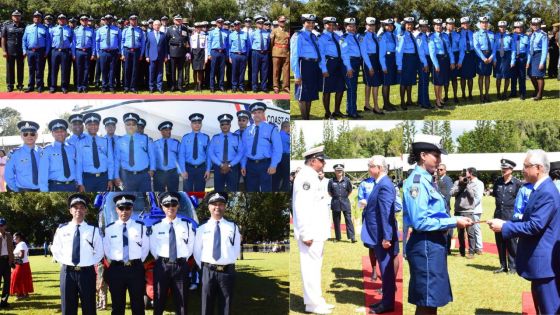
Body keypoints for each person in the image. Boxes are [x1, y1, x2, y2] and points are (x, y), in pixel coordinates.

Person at [403, 134, 473, 315]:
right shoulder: (417, 182)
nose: (439, 160)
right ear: (423, 155)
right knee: (427, 300)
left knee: (431, 299)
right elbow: (420, 221)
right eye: (436, 155)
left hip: (433, 244)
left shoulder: (428, 180)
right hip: (425, 244)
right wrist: (453, 221)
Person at [488, 150, 560, 315]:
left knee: (550, 309)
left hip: (544, 265)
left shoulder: (547, 192)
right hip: (540, 263)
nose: (523, 170)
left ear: (538, 168)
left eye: (526, 166)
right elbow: (531, 220)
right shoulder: (540, 189)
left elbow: (535, 226)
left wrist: (505, 228)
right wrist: (506, 223)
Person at [292, 146, 334, 314]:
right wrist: (305, 233)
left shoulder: (311, 176)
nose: (324, 163)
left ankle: (316, 300)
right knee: (310, 268)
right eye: (322, 160)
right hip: (310, 232)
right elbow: (301, 206)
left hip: (316, 231)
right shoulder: (305, 178)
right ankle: (312, 304)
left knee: (315, 267)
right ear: (313, 160)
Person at [51, 194, 104, 315]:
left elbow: (99, 252)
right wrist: (65, 262)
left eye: (81, 207)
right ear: (70, 210)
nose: (78, 210)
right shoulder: (62, 229)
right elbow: (56, 249)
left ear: (86, 210)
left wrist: (88, 262)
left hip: (87, 273)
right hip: (67, 273)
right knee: (68, 308)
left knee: (89, 307)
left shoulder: (93, 230)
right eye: (75, 207)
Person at [361, 156, 398, 314]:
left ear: (379, 168)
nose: (368, 169)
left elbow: (386, 213)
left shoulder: (384, 185)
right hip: (379, 234)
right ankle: (385, 301)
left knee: (386, 270)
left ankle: (387, 303)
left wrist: (387, 237)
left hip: (382, 235)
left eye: (370, 166)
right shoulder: (381, 183)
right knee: (385, 269)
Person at [193, 192, 241, 315]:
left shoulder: (233, 227)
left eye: (220, 204)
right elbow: (197, 251)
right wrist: (205, 267)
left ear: (225, 206)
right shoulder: (201, 228)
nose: (217, 207)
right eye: (214, 204)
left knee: (226, 307)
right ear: (209, 207)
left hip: (227, 272)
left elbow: (236, 250)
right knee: (206, 306)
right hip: (208, 271)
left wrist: (226, 261)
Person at [149, 192, 195, 315]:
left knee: (182, 302)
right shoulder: (156, 227)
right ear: (162, 207)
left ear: (178, 206)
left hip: (181, 266)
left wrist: (182, 258)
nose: (171, 207)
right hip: (162, 266)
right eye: (167, 204)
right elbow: (153, 248)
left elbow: (191, 246)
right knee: (159, 300)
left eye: (173, 204)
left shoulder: (187, 225)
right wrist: (163, 260)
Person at [103, 194, 149, 315]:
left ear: (132, 209)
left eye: (128, 208)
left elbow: (145, 248)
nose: (124, 211)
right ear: (116, 209)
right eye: (121, 208)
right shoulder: (109, 229)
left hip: (135, 269)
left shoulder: (141, 227)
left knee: (138, 305)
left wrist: (135, 261)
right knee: (117, 306)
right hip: (116, 269)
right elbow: (107, 249)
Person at [240, 102, 282, 192]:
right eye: (254, 113)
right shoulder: (247, 130)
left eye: (259, 112)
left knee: (266, 190)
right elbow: (243, 150)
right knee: (251, 190)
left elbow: (277, 149)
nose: (257, 114)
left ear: (263, 113)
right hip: (250, 165)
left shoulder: (271, 129)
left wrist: (274, 165)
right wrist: (243, 165)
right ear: (251, 115)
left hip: (265, 165)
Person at [491, 159, 522, 273]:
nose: (503, 170)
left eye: (506, 168)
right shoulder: (497, 182)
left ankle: (513, 267)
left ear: (511, 170)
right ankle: (503, 266)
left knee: (512, 242)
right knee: (500, 242)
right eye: (502, 168)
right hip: (498, 214)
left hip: (510, 215)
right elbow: (495, 196)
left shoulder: (517, 183)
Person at [114, 113, 155, 191]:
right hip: (127, 177)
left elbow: (152, 155)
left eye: (133, 124)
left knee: (144, 196)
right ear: (125, 126)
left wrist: (152, 168)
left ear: (136, 126)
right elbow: (117, 160)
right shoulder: (119, 141)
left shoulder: (145, 139)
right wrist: (116, 176)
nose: (131, 126)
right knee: (130, 197)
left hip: (144, 176)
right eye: (128, 124)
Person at [291, 14, 321, 120]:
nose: (311, 25)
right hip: (304, 65)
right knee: (302, 95)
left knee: (310, 94)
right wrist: (297, 75)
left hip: (313, 66)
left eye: (313, 23)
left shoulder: (313, 36)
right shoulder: (298, 35)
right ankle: (305, 118)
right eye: (308, 22)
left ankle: (307, 117)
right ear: (303, 23)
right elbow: (294, 56)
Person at [75, 113, 115, 192]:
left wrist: (110, 179)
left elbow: (110, 161)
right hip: (88, 179)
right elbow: (78, 164)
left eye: (95, 124)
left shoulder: (105, 141)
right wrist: (80, 183)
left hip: (103, 178)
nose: (93, 127)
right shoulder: (80, 142)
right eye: (90, 124)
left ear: (98, 126)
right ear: (86, 126)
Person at [39, 119, 78, 192]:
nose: (60, 133)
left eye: (62, 131)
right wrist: (44, 190)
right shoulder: (47, 150)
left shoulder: (72, 148)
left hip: (72, 186)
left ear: (66, 132)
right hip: (55, 186)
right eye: (56, 131)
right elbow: (43, 174)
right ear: (52, 133)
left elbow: (76, 166)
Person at [397, 17, 427, 110]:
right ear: (404, 25)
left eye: (411, 24)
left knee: (410, 81)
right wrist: (399, 66)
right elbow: (399, 52)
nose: (410, 26)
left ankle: (409, 100)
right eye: (408, 24)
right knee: (403, 82)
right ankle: (402, 101)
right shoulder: (402, 36)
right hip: (405, 60)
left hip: (412, 60)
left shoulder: (412, 35)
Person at [318, 17, 345, 119]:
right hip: (328, 63)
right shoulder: (322, 37)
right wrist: (324, 69)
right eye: (329, 24)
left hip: (338, 63)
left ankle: (337, 111)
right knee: (327, 90)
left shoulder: (337, 36)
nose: (331, 27)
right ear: (325, 25)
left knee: (341, 88)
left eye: (333, 25)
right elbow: (321, 54)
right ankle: (327, 113)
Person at [339, 17, 366, 119]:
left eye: (354, 26)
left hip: (355, 62)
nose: (353, 28)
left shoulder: (355, 37)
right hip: (349, 63)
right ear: (346, 27)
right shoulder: (344, 38)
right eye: (350, 26)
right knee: (351, 88)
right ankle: (352, 112)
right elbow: (344, 54)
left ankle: (351, 108)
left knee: (353, 88)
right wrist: (349, 68)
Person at [207, 114, 243, 192]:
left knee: (233, 190)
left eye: (227, 124)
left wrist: (230, 165)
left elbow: (240, 153)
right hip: (218, 167)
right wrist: (221, 164)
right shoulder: (215, 137)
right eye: (222, 124)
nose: (225, 126)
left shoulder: (236, 137)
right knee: (218, 190)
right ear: (220, 126)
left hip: (232, 167)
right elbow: (211, 153)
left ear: (230, 125)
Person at [4, 121, 41, 192]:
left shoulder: (42, 152)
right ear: (21, 136)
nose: (29, 136)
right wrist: (16, 190)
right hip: (23, 190)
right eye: (25, 134)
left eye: (32, 134)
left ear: (36, 135)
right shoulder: (14, 154)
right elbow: (8, 176)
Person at [179, 113, 210, 192]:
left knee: (199, 192)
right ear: (191, 124)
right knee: (187, 192)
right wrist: (183, 170)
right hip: (188, 168)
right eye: (194, 123)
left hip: (201, 169)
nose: (197, 125)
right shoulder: (185, 137)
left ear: (201, 124)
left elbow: (208, 155)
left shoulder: (205, 137)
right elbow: (181, 155)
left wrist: (208, 170)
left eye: (199, 123)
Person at [450, 169, 477, 258]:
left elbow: (472, 195)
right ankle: (462, 252)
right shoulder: (456, 183)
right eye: (462, 176)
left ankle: (471, 252)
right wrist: (460, 186)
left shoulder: (472, 183)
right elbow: (452, 193)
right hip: (458, 211)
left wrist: (467, 185)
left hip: (468, 211)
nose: (464, 177)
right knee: (460, 233)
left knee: (470, 233)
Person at [429, 19, 455, 109]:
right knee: (437, 82)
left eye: (439, 25)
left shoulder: (445, 36)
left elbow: (449, 49)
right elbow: (432, 53)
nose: (438, 27)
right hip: (438, 59)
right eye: (436, 25)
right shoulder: (431, 37)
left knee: (442, 81)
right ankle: (437, 100)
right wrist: (436, 65)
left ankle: (440, 98)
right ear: (434, 26)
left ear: (442, 26)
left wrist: (452, 61)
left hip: (445, 60)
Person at [22, 11, 51, 93]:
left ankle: (39, 86)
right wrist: (24, 50)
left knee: (39, 70)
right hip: (30, 51)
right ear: (33, 18)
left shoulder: (45, 28)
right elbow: (24, 40)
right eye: (35, 16)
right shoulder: (28, 28)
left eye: (38, 17)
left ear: (41, 19)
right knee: (31, 69)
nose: (37, 18)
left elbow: (48, 41)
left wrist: (46, 51)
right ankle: (30, 86)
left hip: (40, 51)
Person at [361, 17, 385, 115]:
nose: (371, 27)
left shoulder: (375, 35)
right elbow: (364, 53)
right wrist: (370, 66)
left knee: (369, 84)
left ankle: (367, 104)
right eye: (369, 25)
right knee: (375, 84)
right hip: (368, 60)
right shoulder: (363, 36)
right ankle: (376, 107)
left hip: (376, 60)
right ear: (366, 25)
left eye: (373, 25)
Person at [328, 163, 355, 242]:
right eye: (337, 170)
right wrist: (336, 197)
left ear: (343, 171)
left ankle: (352, 237)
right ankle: (338, 237)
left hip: (345, 202)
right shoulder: (331, 181)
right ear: (335, 171)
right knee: (336, 221)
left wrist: (344, 197)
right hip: (335, 202)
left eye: (340, 170)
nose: (339, 171)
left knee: (348, 220)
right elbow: (329, 192)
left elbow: (350, 190)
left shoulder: (347, 180)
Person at [96, 14, 121, 93]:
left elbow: (120, 42)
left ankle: (111, 86)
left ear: (112, 20)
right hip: (103, 52)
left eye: (110, 19)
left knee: (112, 70)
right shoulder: (100, 30)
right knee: (104, 70)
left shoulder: (117, 30)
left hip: (113, 52)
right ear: (104, 20)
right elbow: (97, 42)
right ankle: (104, 86)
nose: (108, 20)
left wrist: (119, 52)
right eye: (107, 19)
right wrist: (97, 52)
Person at [2, 9, 26, 92]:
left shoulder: (24, 26)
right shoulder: (7, 26)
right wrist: (4, 51)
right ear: (12, 17)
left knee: (20, 68)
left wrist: (25, 51)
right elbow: (3, 39)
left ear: (20, 17)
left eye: (18, 16)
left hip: (21, 51)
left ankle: (20, 84)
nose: (16, 17)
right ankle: (10, 85)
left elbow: (26, 39)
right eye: (15, 16)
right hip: (10, 51)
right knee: (10, 69)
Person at [120, 14, 144, 93]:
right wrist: (122, 54)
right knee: (127, 69)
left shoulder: (140, 30)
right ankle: (126, 87)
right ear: (129, 20)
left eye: (135, 19)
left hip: (136, 51)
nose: (133, 21)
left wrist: (141, 54)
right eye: (132, 19)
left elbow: (142, 43)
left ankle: (133, 87)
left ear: (136, 20)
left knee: (135, 70)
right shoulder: (125, 30)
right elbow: (122, 42)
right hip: (127, 51)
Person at [49, 14, 73, 94]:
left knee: (64, 70)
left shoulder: (69, 30)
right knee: (54, 70)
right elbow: (50, 40)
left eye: (63, 18)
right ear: (58, 20)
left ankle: (64, 87)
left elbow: (72, 41)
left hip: (65, 51)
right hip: (55, 51)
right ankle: (53, 86)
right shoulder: (53, 29)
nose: (61, 20)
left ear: (66, 20)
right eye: (60, 18)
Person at [153, 121, 180, 191]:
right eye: (166, 130)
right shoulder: (155, 144)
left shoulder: (176, 143)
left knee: (174, 192)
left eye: (169, 130)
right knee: (158, 193)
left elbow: (180, 157)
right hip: (159, 173)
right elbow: (152, 158)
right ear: (161, 131)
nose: (168, 132)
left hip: (173, 173)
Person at [474, 16, 495, 103]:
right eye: (483, 22)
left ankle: (487, 94)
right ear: (480, 24)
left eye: (486, 23)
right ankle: (481, 95)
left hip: (490, 55)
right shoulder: (476, 34)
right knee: (481, 76)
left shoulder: (491, 34)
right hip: (481, 56)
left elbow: (494, 47)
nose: (484, 24)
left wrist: (491, 57)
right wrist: (483, 58)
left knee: (487, 76)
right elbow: (476, 47)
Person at [379, 19, 399, 111]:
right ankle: (385, 104)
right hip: (386, 59)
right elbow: (381, 53)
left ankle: (388, 102)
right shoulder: (383, 36)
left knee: (389, 82)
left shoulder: (393, 35)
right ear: (384, 26)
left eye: (391, 25)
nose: (390, 27)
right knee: (386, 83)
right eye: (387, 25)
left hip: (392, 60)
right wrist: (383, 66)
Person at [72, 15, 95, 93]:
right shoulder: (76, 30)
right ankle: (79, 86)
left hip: (87, 51)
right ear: (80, 21)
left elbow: (93, 43)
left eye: (86, 20)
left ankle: (85, 86)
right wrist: (73, 54)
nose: (84, 21)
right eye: (82, 20)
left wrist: (93, 53)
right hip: (78, 51)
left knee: (86, 69)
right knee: (79, 69)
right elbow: (73, 43)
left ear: (87, 21)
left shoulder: (91, 30)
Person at [526, 18, 548, 101]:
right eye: (533, 24)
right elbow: (529, 49)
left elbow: (545, 50)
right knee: (531, 74)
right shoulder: (532, 35)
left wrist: (542, 62)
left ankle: (539, 95)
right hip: (532, 56)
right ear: (531, 25)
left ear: (539, 25)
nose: (535, 26)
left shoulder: (543, 34)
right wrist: (528, 61)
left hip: (539, 55)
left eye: (537, 24)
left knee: (539, 75)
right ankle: (537, 90)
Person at [493, 21, 516, 100]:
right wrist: (494, 59)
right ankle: (498, 93)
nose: (502, 28)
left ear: (506, 27)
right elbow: (493, 48)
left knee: (507, 77)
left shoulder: (510, 37)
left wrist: (512, 60)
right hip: (498, 56)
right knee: (498, 76)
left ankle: (505, 93)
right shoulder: (495, 36)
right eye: (500, 27)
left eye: (503, 26)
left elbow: (513, 49)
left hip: (507, 56)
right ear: (498, 27)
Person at [207, 17, 228, 93]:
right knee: (213, 70)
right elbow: (209, 43)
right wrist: (209, 54)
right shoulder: (212, 32)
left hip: (222, 52)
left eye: (221, 22)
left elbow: (227, 44)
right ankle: (212, 86)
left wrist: (227, 54)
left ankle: (221, 86)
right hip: (214, 52)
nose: (220, 23)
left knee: (222, 70)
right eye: (219, 22)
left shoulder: (226, 32)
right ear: (216, 23)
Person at [10, 232, 33, 300]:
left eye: (14, 238)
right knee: (22, 280)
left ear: (18, 238)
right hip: (20, 264)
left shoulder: (21, 244)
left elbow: (21, 255)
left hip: (21, 264)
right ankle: (23, 294)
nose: (13, 239)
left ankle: (21, 294)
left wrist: (13, 258)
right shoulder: (19, 244)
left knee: (18, 280)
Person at [510, 21, 530, 100]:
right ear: (514, 29)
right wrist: (512, 60)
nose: (519, 29)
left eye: (521, 27)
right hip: (513, 57)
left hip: (522, 57)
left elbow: (528, 49)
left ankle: (522, 93)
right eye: (517, 27)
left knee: (522, 76)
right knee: (513, 76)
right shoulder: (511, 37)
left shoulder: (526, 37)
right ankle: (513, 92)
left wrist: (528, 60)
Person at [228, 20, 250, 93]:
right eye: (235, 25)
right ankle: (234, 86)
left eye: (238, 25)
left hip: (243, 55)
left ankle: (241, 86)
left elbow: (248, 46)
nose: (237, 26)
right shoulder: (231, 35)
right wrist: (230, 57)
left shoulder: (245, 34)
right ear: (234, 26)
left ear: (240, 25)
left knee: (242, 72)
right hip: (234, 55)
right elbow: (229, 47)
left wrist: (246, 56)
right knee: (234, 71)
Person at [436, 164, 454, 254]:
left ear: (445, 170)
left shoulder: (447, 179)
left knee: (448, 228)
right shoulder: (437, 179)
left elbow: (448, 194)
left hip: (445, 207)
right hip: (438, 208)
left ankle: (447, 248)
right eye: (438, 169)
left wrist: (442, 205)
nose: (439, 171)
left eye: (441, 169)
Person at [250, 17, 270, 93]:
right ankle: (255, 87)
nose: (261, 24)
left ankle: (263, 87)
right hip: (256, 53)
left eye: (262, 23)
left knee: (264, 71)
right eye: (259, 23)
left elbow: (268, 43)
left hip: (264, 53)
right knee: (255, 71)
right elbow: (251, 43)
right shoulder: (253, 33)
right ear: (256, 24)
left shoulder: (266, 33)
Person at [416, 19, 433, 109]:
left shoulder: (426, 36)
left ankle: (420, 100)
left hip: (427, 59)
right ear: (419, 27)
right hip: (423, 61)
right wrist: (425, 63)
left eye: (426, 26)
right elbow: (420, 52)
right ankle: (425, 103)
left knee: (423, 82)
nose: (424, 27)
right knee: (424, 82)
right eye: (422, 26)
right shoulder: (419, 37)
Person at [458, 17, 476, 101]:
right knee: (463, 77)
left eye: (467, 23)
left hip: (471, 56)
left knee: (470, 77)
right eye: (464, 23)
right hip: (462, 55)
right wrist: (460, 60)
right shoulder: (458, 34)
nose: (465, 24)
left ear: (469, 24)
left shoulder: (473, 33)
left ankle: (470, 94)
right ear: (461, 24)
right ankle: (463, 94)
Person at [270, 16, 289, 93]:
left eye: (284, 21)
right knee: (276, 71)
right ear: (278, 22)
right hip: (277, 52)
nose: (283, 22)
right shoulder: (274, 30)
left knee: (286, 71)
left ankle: (285, 86)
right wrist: (273, 50)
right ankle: (276, 86)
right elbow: (271, 42)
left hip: (286, 52)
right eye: (281, 21)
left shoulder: (287, 31)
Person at [444, 18, 461, 104]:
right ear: (446, 25)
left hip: (455, 55)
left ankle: (455, 96)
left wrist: (459, 61)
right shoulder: (442, 35)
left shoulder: (458, 35)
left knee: (454, 78)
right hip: (445, 58)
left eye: (452, 24)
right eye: (449, 24)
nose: (451, 26)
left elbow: (461, 49)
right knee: (446, 78)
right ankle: (446, 96)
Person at [468, 167, 484, 255]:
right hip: (468, 210)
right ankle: (473, 247)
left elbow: (478, 197)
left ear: (470, 173)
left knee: (476, 229)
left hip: (475, 209)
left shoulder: (479, 183)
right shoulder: (469, 182)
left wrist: (470, 206)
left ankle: (479, 247)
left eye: (467, 172)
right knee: (470, 230)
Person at [0, 218, 14, 308]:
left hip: (7, 261)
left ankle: (4, 302)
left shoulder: (9, 235)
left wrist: (12, 260)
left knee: (7, 282)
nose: (1, 227)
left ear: (5, 226)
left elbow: (11, 249)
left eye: (2, 225)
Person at [273, 121, 290, 192]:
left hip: (276, 157)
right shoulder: (286, 136)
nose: (290, 128)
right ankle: (284, 190)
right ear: (286, 127)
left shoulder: (276, 135)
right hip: (285, 157)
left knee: (276, 176)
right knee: (286, 176)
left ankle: (275, 189)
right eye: (289, 127)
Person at [190, 22, 207, 91]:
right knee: (195, 70)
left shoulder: (204, 36)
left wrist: (206, 58)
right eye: (197, 27)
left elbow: (206, 48)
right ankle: (195, 85)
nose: (198, 29)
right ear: (195, 28)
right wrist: (190, 57)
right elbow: (190, 48)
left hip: (201, 54)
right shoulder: (192, 36)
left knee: (200, 70)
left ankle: (200, 85)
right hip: (194, 54)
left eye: (199, 27)